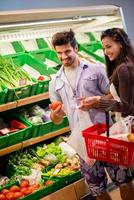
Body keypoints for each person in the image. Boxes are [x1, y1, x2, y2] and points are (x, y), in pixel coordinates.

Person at [49, 29, 133, 200]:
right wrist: (56, 114)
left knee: (124, 181)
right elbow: (56, 119)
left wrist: (97, 101)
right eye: (59, 53)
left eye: (67, 51)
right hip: (83, 142)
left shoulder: (96, 70)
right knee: (97, 189)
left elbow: (112, 94)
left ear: (76, 48)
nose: (64, 56)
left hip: (108, 135)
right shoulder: (55, 82)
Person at [79, 28, 134, 199]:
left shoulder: (124, 68)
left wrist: (98, 102)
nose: (106, 52)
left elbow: (126, 106)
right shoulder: (128, 63)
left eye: (109, 46)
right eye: (103, 48)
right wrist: (101, 97)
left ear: (120, 43)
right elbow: (122, 93)